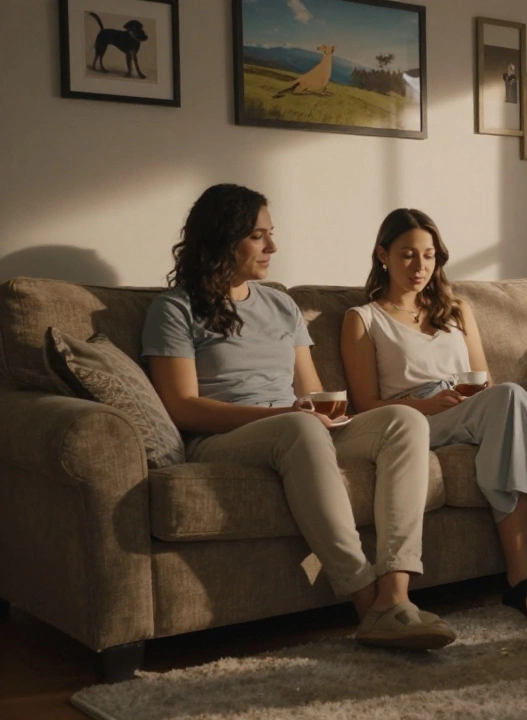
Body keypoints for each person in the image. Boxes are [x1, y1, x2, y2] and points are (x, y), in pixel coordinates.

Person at [142, 184, 456, 650]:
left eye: (271, 234)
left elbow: (309, 392)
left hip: (297, 426)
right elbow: (182, 405)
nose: (272, 247)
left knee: (404, 421)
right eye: (257, 236)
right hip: (227, 436)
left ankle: (396, 595)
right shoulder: (174, 308)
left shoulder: (280, 304)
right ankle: (366, 602)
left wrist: (323, 410)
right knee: (299, 426)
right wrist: (297, 414)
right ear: (222, 239)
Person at [341, 208, 527, 617]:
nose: (420, 266)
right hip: (413, 420)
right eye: (408, 254)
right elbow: (365, 407)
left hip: (471, 407)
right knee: (519, 410)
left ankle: (523, 580)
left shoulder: (457, 309)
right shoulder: (362, 319)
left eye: (429, 255)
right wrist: (425, 405)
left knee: (509, 416)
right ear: (382, 255)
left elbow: (484, 381)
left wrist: (475, 399)